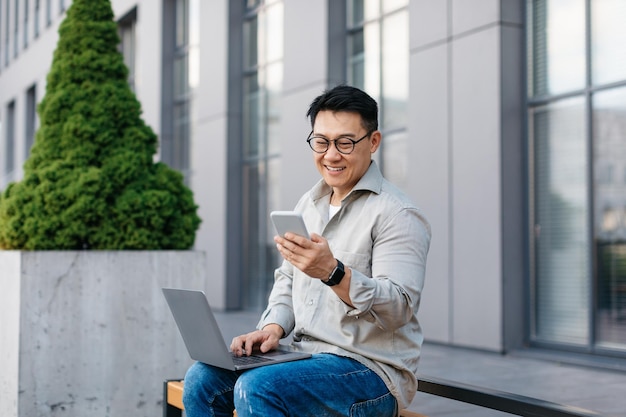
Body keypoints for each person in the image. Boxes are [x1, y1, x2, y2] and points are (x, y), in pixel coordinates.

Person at [183, 85, 431, 417]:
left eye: (345, 142)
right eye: (321, 141)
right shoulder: (309, 204)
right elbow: (287, 279)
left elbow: (399, 307)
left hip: (371, 372)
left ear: (373, 142)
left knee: (260, 388)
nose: (331, 155)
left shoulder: (397, 214)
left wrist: (334, 273)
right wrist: (272, 328)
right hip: (304, 357)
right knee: (201, 378)